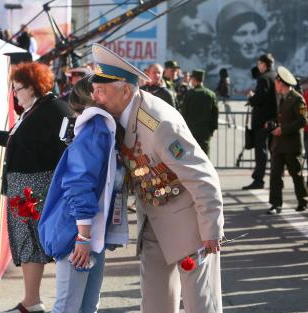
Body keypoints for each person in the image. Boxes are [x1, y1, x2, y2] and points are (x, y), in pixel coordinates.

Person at [90, 43, 224, 313]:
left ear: (125, 90)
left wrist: (211, 229)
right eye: (95, 90)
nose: (96, 98)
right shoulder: (120, 116)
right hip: (153, 223)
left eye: (101, 91)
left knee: (201, 304)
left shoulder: (158, 123)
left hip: (189, 226)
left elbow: (202, 176)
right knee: (154, 303)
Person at [38, 75, 128, 313]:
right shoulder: (97, 129)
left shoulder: (99, 128)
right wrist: (84, 236)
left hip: (85, 234)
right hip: (79, 234)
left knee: (82, 306)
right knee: (71, 307)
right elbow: (78, 183)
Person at [0, 62, 70, 313]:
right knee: (28, 244)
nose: (15, 94)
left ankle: (33, 302)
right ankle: (31, 300)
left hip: (36, 188)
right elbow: (21, 141)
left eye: (17, 89)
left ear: (32, 87)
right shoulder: (33, 110)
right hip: (26, 188)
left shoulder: (54, 109)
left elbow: (66, 148)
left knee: (34, 243)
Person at [267, 66, 307, 214]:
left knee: (296, 175)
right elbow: (281, 117)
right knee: (275, 176)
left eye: (276, 83)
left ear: (281, 83)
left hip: (292, 145)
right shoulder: (281, 98)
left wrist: (283, 129)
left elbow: (304, 120)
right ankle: (276, 204)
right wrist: (272, 123)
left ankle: (303, 200)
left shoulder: (298, 99)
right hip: (279, 145)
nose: (275, 86)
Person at [216, 1, 267, 95]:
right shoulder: (217, 77)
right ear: (227, 40)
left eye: (254, 33)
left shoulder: (268, 73)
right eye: (242, 34)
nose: (250, 42)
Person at [242, 53, 277, 190]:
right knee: (275, 152)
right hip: (274, 121)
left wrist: (251, 98)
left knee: (261, 153)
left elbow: (260, 98)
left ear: (263, 64)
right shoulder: (276, 77)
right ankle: (276, 179)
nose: (258, 67)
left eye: (259, 64)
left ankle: (259, 180)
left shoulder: (263, 79)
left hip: (262, 122)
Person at [181, 69, 218, 156]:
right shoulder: (211, 94)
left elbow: (184, 113)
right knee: (204, 154)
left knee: (191, 154)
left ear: (193, 79)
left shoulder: (189, 94)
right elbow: (215, 114)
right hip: (205, 131)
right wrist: (213, 129)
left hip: (190, 130)